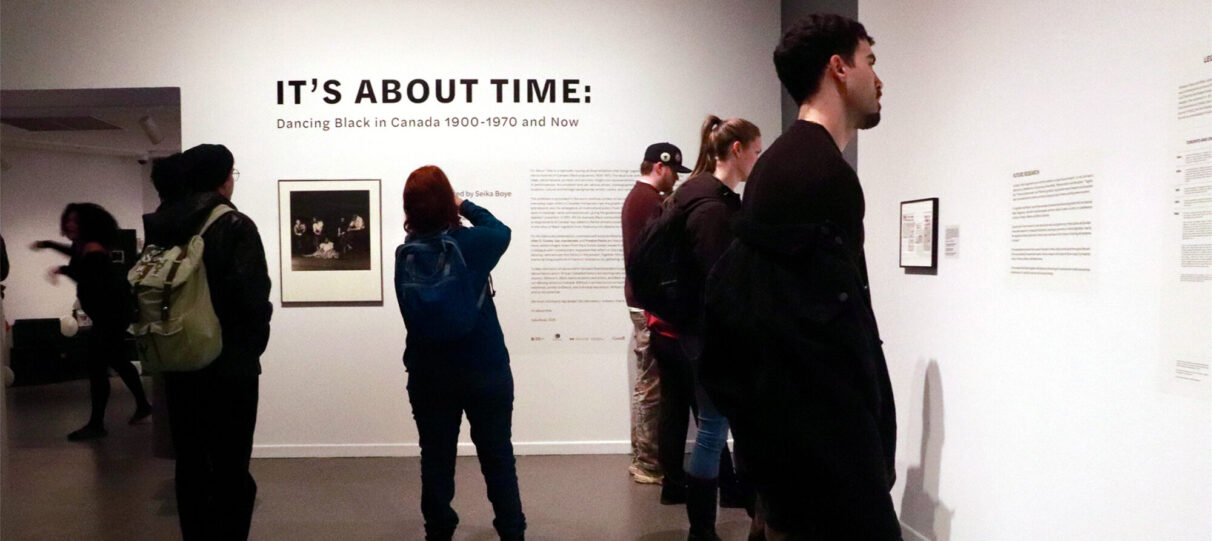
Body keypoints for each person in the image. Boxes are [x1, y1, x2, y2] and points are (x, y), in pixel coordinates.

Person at [701, 14, 899, 540]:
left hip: (796, 456)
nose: (879, 79)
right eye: (870, 61)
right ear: (839, 68)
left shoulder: (784, 163)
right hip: (822, 463)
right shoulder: (819, 174)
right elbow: (822, 338)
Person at [144, 144, 272, 540]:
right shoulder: (234, 224)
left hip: (178, 359)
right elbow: (252, 299)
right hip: (229, 365)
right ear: (222, 179)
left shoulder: (164, 222)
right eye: (232, 173)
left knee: (191, 466)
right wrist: (249, 351)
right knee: (231, 468)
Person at [397, 165, 525, 541]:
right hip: (485, 366)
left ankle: (438, 532)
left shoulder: (408, 254)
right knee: (497, 456)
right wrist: (463, 203)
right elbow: (501, 231)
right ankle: (511, 531)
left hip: (429, 372)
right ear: (445, 202)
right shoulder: (473, 244)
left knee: (436, 459)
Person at [673, 115, 761, 540]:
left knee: (714, 429)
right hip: (717, 337)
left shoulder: (697, 196)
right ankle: (702, 529)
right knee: (714, 431)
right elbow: (719, 280)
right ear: (737, 150)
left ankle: (706, 528)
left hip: (700, 334)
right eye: (756, 151)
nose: (758, 159)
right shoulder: (714, 208)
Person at [32, 203, 151, 440]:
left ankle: (97, 424)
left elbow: (86, 275)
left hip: (111, 315)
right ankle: (142, 406)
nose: (69, 225)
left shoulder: (93, 249)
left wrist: (61, 270)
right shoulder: (83, 246)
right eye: (68, 220)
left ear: (88, 225)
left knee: (97, 366)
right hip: (109, 314)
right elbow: (74, 255)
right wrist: (49, 245)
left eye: (75, 221)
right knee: (118, 361)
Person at [619, 142, 684, 485]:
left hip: (642, 300)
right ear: (660, 166)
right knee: (650, 384)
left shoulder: (640, 198)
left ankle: (645, 458)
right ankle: (647, 462)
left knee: (649, 381)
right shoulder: (648, 201)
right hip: (648, 304)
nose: (676, 178)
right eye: (674, 171)